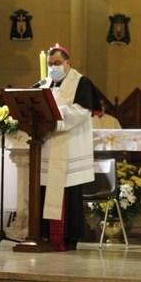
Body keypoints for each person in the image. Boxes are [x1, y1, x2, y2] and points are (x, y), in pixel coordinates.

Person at [38, 44, 101, 251]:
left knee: (70, 195)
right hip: (47, 148)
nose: (53, 68)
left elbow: (82, 111)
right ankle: (46, 235)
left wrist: (54, 116)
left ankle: (68, 238)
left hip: (70, 147)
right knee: (45, 191)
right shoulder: (43, 84)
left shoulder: (81, 82)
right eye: (50, 64)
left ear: (68, 63)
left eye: (57, 63)